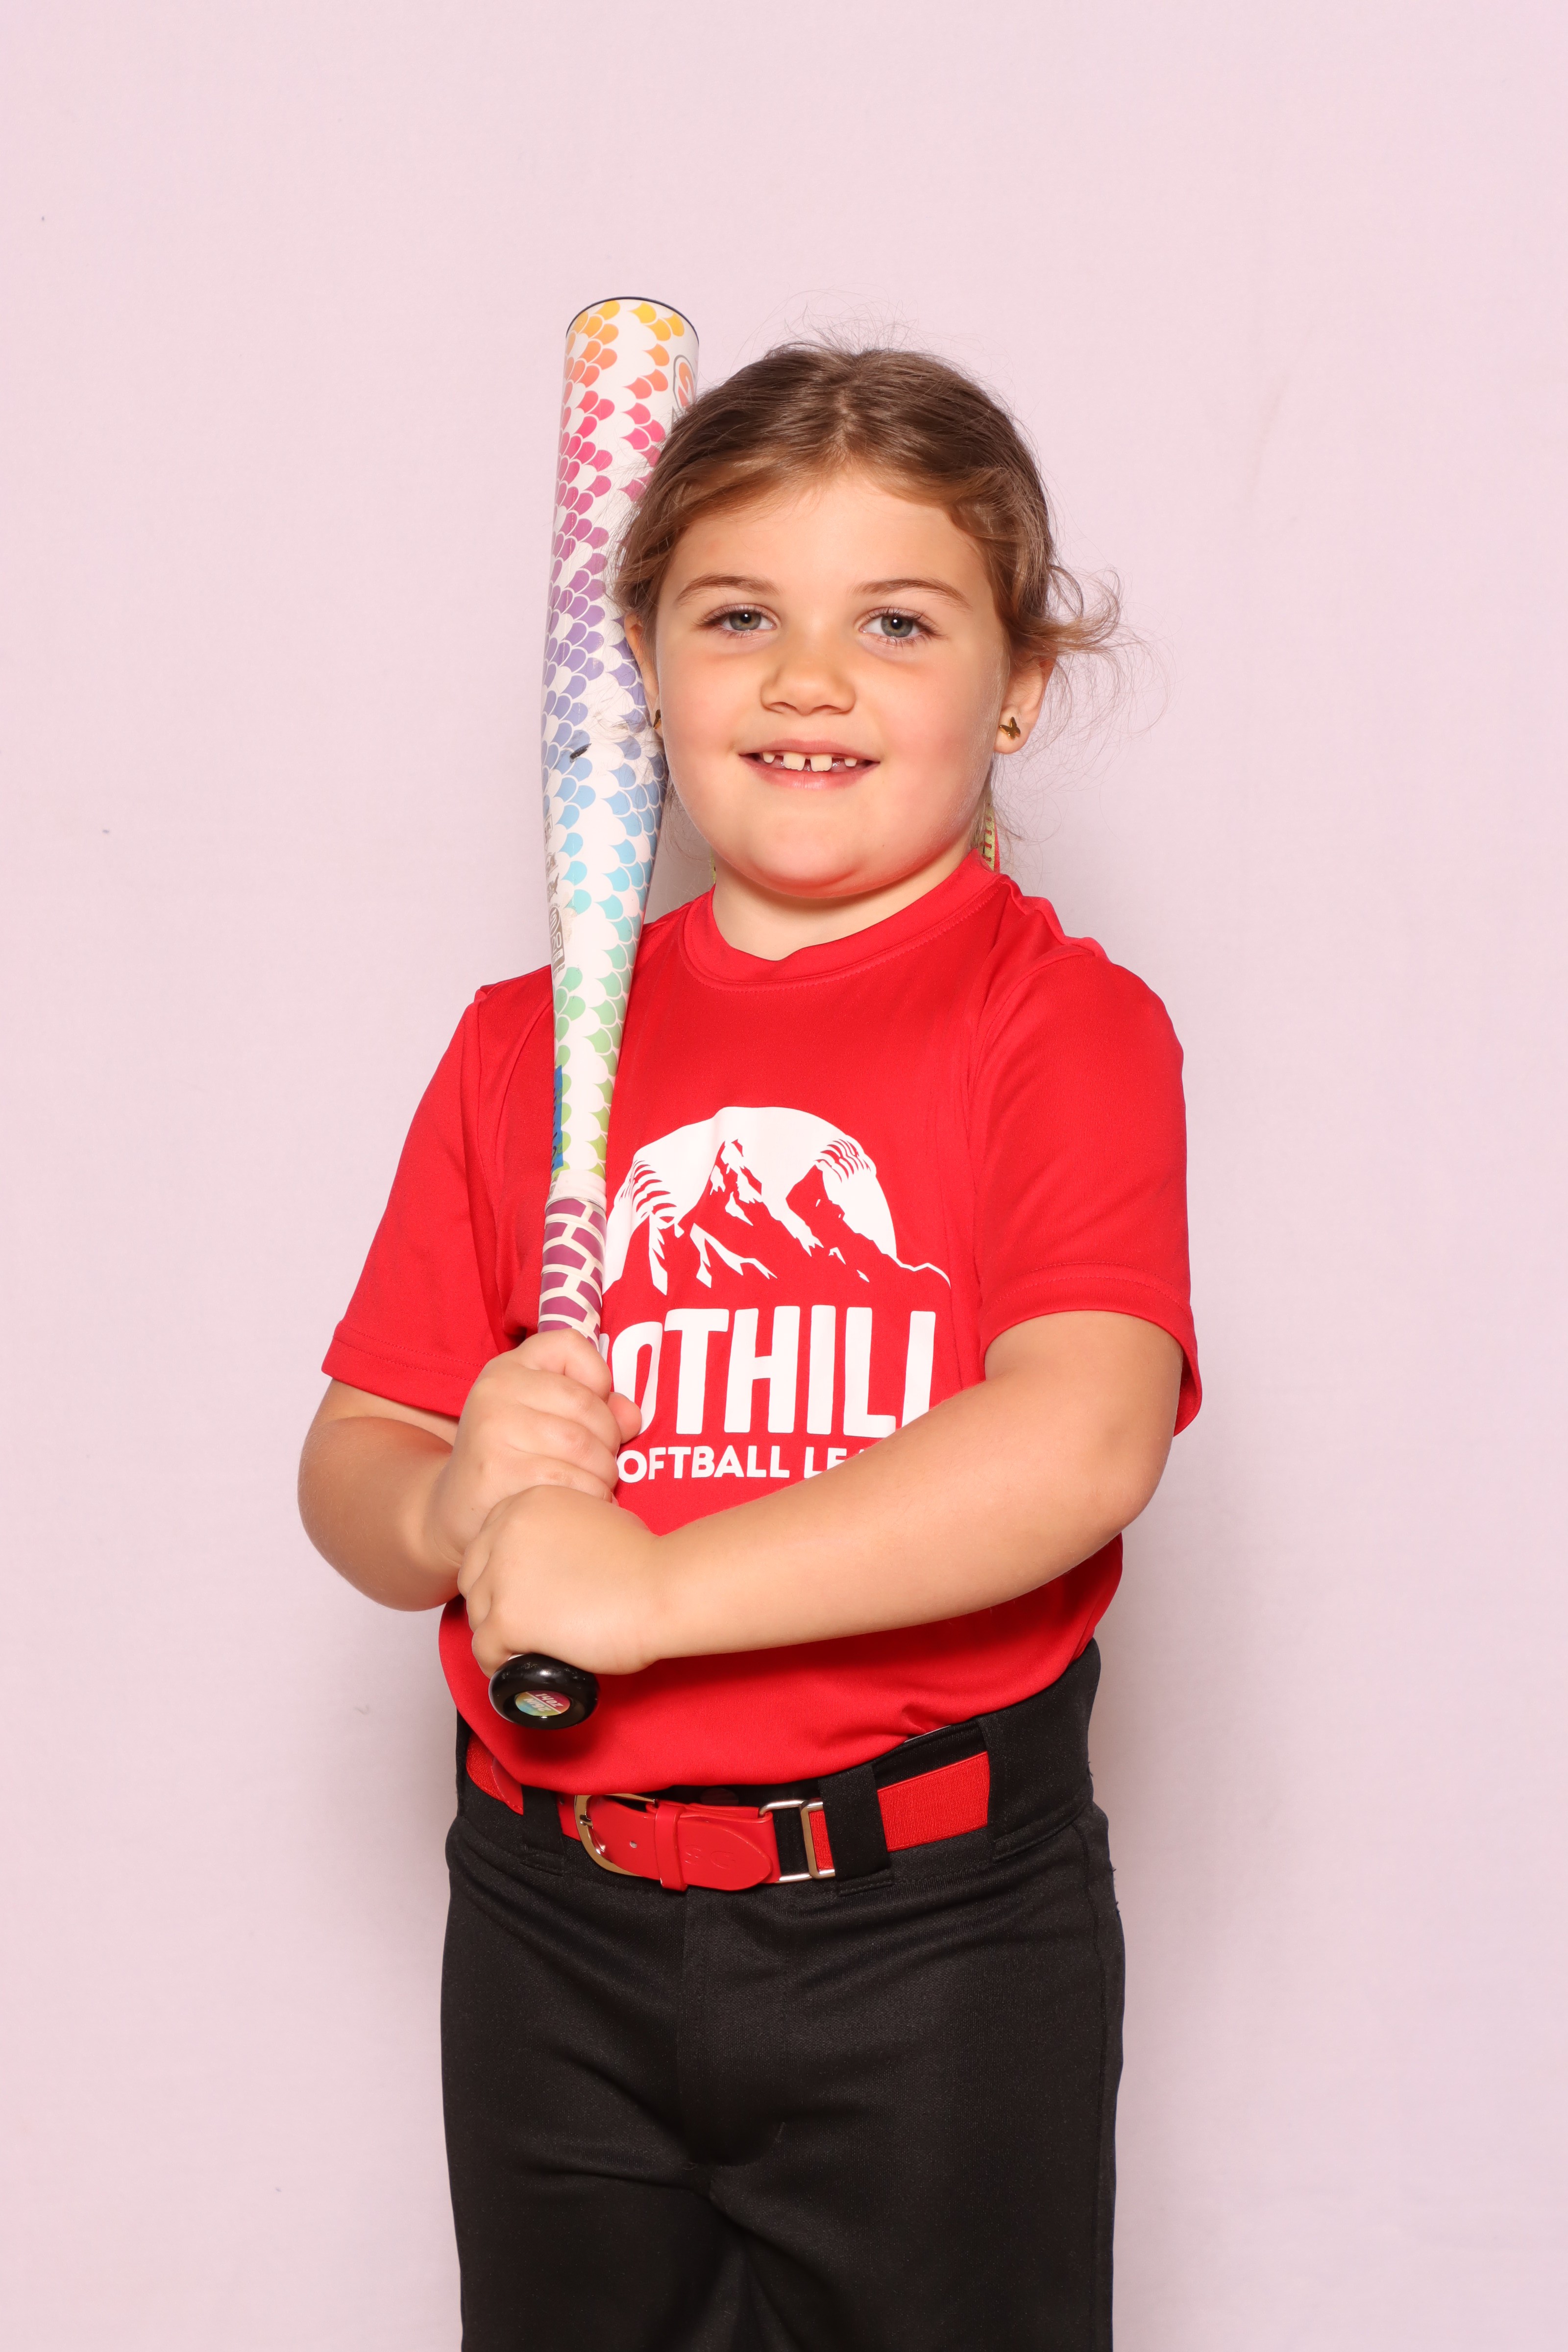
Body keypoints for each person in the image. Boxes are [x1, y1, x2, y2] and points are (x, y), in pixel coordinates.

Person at [299, 343, 1200, 2352]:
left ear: (1019, 682)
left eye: (896, 622)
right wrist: (451, 1505)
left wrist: (647, 1591)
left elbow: (1076, 1443)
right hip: (549, 1913)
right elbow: (355, 1458)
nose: (808, 679)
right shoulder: (520, 1045)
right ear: (637, 667)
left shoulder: (1057, 1025)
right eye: (736, 618)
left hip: (931, 1929)